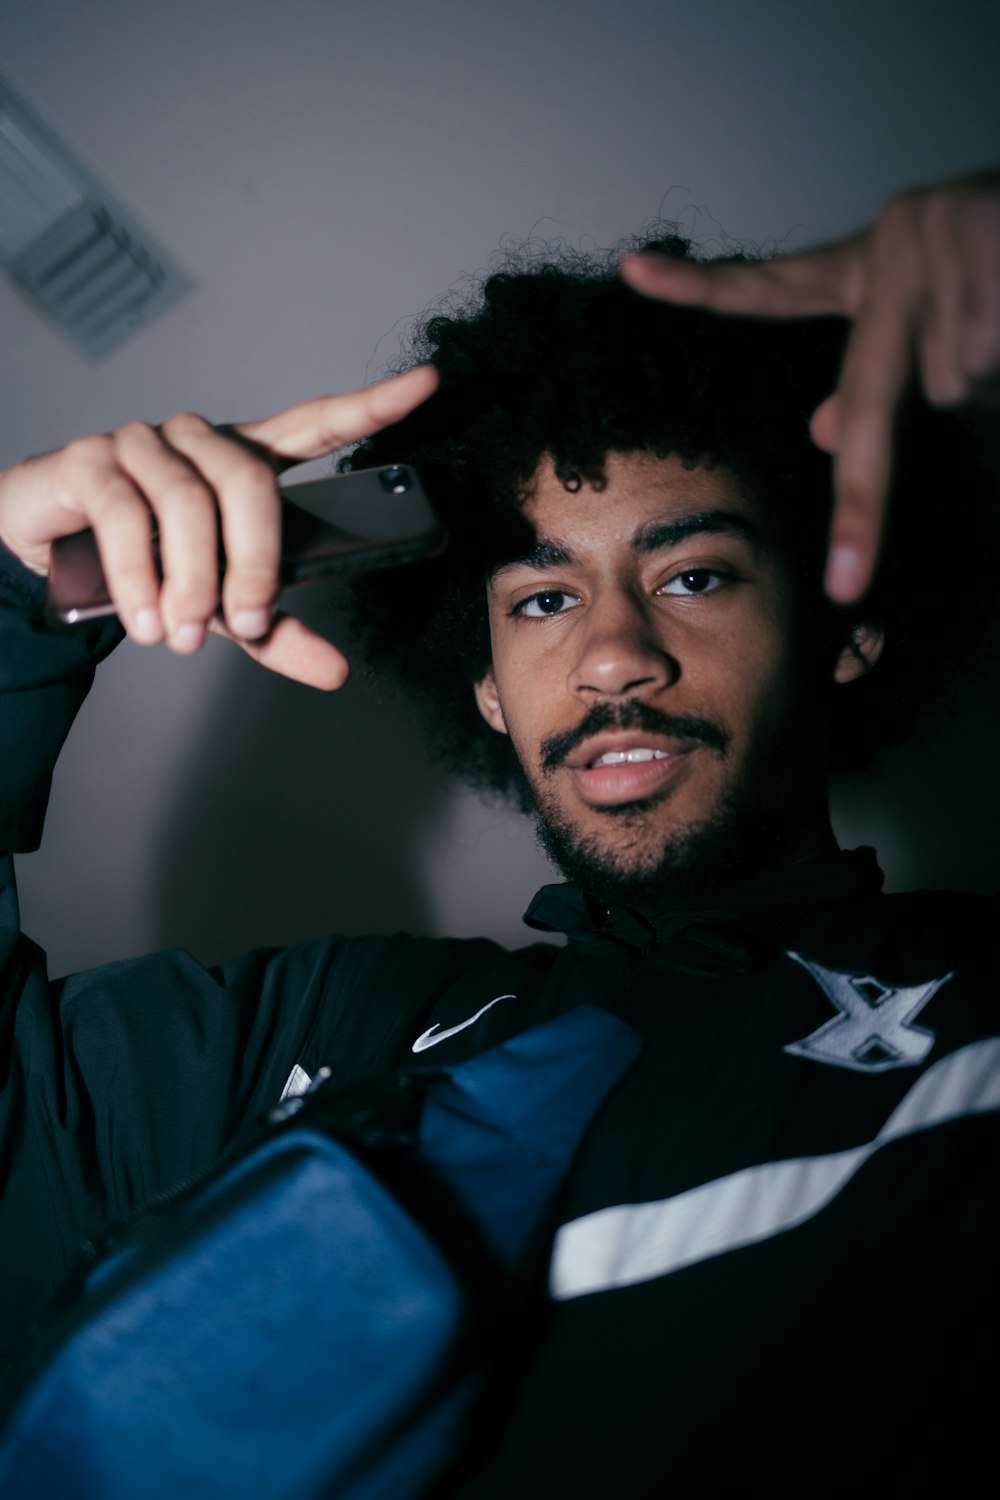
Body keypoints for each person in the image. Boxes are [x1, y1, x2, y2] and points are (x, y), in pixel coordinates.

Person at [0, 166, 997, 1494]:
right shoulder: (310, 1032)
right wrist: (9, 610)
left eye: (692, 575)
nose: (612, 658)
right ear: (479, 681)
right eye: (539, 601)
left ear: (846, 631)